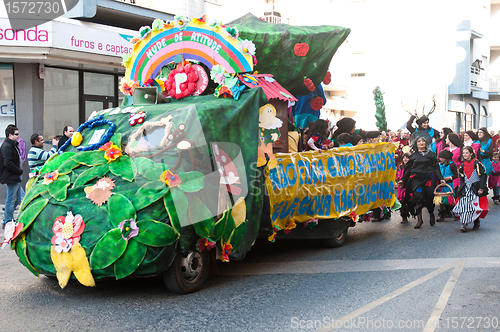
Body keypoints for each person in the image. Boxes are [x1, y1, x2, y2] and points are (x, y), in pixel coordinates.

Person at [399, 131, 446, 229]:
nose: (421, 143)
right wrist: (403, 180)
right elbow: (408, 169)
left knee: (429, 198)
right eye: (419, 141)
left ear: (426, 143)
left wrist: (441, 179)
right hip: (416, 179)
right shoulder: (413, 155)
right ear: (416, 144)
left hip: (428, 178)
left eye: (423, 141)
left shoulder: (431, 155)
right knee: (417, 197)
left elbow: (436, 168)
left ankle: (431, 213)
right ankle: (419, 220)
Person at [452, 146, 488, 232]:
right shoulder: (462, 165)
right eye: (463, 153)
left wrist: (481, 188)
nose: (465, 155)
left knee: (473, 205)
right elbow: (462, 178)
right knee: (464, 205)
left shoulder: (477, 164)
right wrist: (462, 188)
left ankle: (476, 221)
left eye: (467, 153)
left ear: (471, 154)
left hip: (475, 187)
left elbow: (483, 175)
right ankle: (464, 224)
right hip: (466, 187)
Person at [0, 125, 25, 229]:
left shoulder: (12, 145)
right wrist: (19, 171)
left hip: (15, 176)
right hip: (12, 176)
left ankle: (8, 218)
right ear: (10, 135)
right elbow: (8, 163)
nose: (18, 136)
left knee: (19, 199)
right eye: (16, 134)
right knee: (12, 199)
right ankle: (7, 220)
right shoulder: (7, 146)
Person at [436, 149, 458, 222]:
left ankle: (455, 213)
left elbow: (456, 175)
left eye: (441, 157)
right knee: (441, 200)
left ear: (445, 158)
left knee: (451, 199)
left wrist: (450, 178)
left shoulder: (452, 165)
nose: (439, 159)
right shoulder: (440, 165)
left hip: (449, 185)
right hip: (442, 185)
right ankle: (442, 214)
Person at [397, 153, 411, 223]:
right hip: (401, 187)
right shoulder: (400, 166)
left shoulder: (411, 167)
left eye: (407, 158)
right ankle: (404, 216)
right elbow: (397, 174)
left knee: (409, 201)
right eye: (404, 158)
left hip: (408, 186)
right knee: (402, 201)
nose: (405, 159)